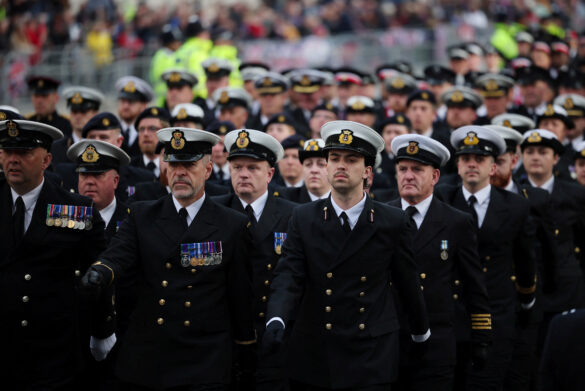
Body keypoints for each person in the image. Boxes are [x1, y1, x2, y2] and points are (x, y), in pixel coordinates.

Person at [81, 126, 256, 390]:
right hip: (151, 355)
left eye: (188, 165)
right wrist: (101, 272)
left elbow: (240, 297)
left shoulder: (232, 224)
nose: (179, 173)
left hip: (204, 357)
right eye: (173, 165)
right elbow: (118, 255)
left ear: (208, 170)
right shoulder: (142, 216)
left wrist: (245, 352)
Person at [263, 120, 430, 390]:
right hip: (318, 349)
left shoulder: (391, 220)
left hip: (371, 352)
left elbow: (407, 281)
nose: (341, 165)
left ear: (367, 171)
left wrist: (421, 332)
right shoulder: (304, 217)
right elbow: (289, 275)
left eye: (351, 159)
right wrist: (277, 317)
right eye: (334, 158)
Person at [0, 119, 111, 389]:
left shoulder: (76, 209)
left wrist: (102, 331)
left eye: (24, 153)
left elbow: (99, 272)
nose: (13, 160)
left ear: (46, 160)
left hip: (53, 349)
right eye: (7, 152)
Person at [436, 125, 538, 391]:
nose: (472, 165)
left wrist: (526, 298)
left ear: (493, 167)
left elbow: (525, 259)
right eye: (466, 159)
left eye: (480, 160)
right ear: (457, 165)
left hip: (496, 311)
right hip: (452, 312)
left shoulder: (515, 206)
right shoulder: (442, 200)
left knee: (487, 383)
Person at [389, 134, 491, 391]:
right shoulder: (380, 216)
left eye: (417, 169)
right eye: (403, 169)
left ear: (435, 176)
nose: (408, 176)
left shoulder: (456, 221)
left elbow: (473, 284)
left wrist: (480, 337)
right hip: (389, 341)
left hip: (436, 343)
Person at [214, 128, 296, 390]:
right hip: (223, 335)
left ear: (270, 173)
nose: (243, 174)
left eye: (252, 167)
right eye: (237, 167)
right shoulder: (213, 211)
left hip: (274, 333)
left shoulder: (293, 215)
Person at [51, 86, 104, 164]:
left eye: (83, 112)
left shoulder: (104, 147)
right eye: (74, 111)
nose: (78, 117)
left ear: (96, 114)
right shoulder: (57, 148)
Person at [280, 138, 331, 203]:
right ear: (302, 168)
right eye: (308, 164)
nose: (314, 170)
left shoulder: (342, 201)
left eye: (321, 164)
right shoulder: (286, 199)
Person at [115, 76, 154, 158]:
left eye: (131, 101)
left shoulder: (150, 133)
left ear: (144, 105)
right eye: (122, 101)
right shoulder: (111, 130)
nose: (125, 106)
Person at [130, 106, 171, 179]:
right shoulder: (128, 168)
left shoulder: (174, 168)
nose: (145, 134)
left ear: (166, 133)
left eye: (152, 129)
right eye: (141, 129)